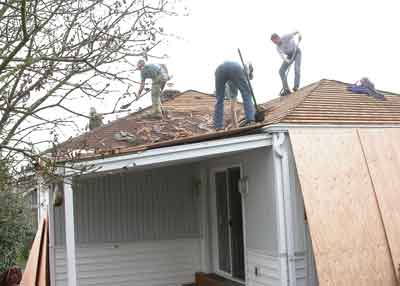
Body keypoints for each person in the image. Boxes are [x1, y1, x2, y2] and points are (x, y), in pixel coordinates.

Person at [214, 61, 255, 130]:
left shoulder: (232, 84)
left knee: (219, 98)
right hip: (235, 68)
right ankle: (250, 120)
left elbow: (232, 108)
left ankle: (218, 126)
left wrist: (235, 127)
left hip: (219, 69)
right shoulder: (242, 73)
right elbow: (248, 65)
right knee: (246, 94)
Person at [271, 31, 302, 96]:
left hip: (296, 52)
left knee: (296, 69)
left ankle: (296, 87)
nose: (275, 43)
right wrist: (287, 61)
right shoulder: (277, 47)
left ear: (278, 38)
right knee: (281, 71)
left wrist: (300, 35)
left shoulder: (285, 37)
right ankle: (286, 89)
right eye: (274, 43)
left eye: (275, 41)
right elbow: (282, 56)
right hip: (289, 56)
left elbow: (296, 32)